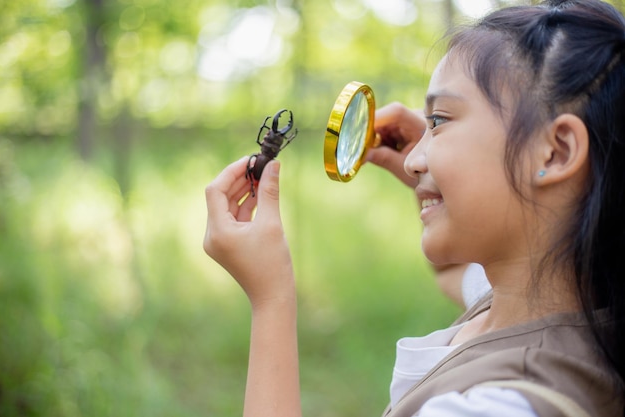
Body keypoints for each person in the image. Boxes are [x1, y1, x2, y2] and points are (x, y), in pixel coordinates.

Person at [203, 0, 625, 415]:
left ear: (555, 152)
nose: (411, 159)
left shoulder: (496, 406)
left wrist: (271, 301)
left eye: (439, 121)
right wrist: (434, 187)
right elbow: (457, 275)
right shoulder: (561, 305)